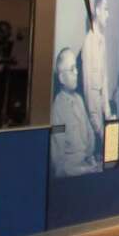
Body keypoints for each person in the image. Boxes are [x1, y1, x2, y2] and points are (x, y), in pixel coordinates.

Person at [48, 47, 101, 177]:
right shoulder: (57, 110)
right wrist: (85, 170)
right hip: (74, 175)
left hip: (88, 165)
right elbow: (59, 165)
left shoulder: (79, 100)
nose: (77, 72)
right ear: (61, 78)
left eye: (76, 67)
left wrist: (91, 160)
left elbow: (90, 137)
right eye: (72, 69)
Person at [81, 0, 116, 149]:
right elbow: (89, 92)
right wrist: (101, 133)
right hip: (95, 130)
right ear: (97, 10)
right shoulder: (89, 43)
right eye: (106, 9)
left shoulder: (102, 41)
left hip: (103, 122)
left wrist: (108, 116)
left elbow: (104, 82)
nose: (108, 15)